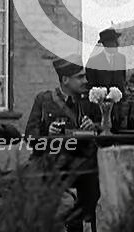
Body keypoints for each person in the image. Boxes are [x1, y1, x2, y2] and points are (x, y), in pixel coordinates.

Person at [25, 56, 100, 232]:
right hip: (54, 166)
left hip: (84, 165)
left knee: (92, 188)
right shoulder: (44, 100)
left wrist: (93, 127)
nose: (85, 81)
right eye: (80, 77)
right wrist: (48, 133)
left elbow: (103, 128)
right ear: (65, 80)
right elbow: (30, 135)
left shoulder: (89, 101)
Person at [86, 28, 127, 92]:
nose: (117, 44)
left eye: (117, 40)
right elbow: (91, 88)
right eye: (114, 41)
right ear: (105, 44)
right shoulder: (93, 63)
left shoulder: (122, 58)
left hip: (121, 100)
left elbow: (123, 81)